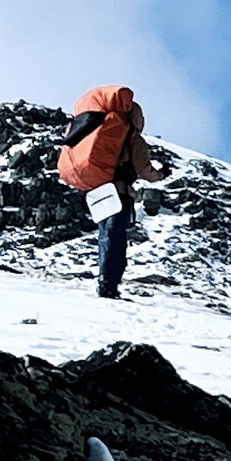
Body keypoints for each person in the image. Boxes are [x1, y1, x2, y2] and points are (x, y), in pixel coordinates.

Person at [58, 84, 155, 300]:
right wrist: (160, 175)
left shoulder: (96, 126)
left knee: (106, 235)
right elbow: (144, 169)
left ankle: (105, 280)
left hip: (98, 190)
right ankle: (109, 285)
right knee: (116, 237)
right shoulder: (130, 134)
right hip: (118, 192)